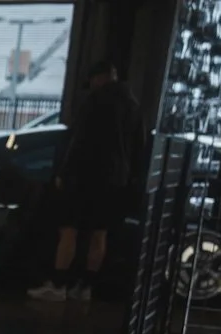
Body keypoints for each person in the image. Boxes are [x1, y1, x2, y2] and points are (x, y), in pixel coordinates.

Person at [28, 60, 143, 303]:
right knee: (99, 235)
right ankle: (85, 287)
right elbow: (139, 147)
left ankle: (58, 285)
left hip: (84, 178)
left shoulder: (95, 102)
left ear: (98, 78)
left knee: (68, 231)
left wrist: (63, 173)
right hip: (115, 182)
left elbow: (79, 142)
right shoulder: (132, 105)